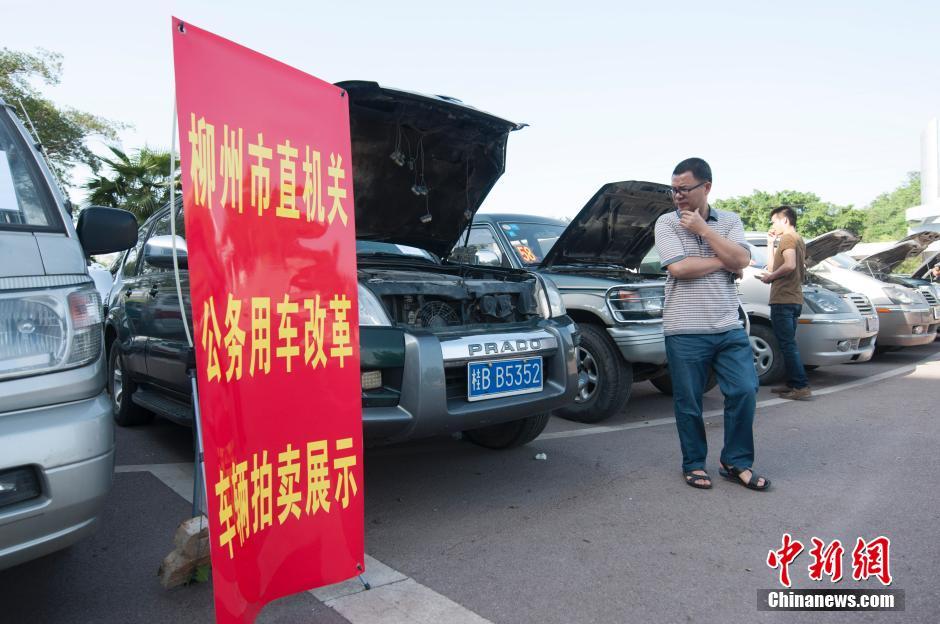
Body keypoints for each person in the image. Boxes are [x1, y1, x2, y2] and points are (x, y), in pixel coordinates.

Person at [654, 157, 769, 491]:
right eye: (673, 190)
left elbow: (744, 260)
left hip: (727, 324)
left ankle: (735, 461)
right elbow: (679, 269)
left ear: (706, 187)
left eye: (684, 189)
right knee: (688, 402)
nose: (677, 196)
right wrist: (726, 261)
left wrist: (704, 232)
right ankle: (693, 463)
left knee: (745, 390)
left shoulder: (730, 221)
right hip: (684, 327)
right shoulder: (666, 223)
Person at [759, 206, 810, 400]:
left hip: (783, 299)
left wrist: (771, 278)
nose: (773, 225)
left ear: (785, 220)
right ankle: (792, 383)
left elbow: (789, 265)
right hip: (794, 298)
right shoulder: (797, 239)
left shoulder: (789, 238)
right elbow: (773, 266)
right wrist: (770, 243)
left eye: (774, 221)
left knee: (787, 344)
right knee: (787, 343)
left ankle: (801, 386)